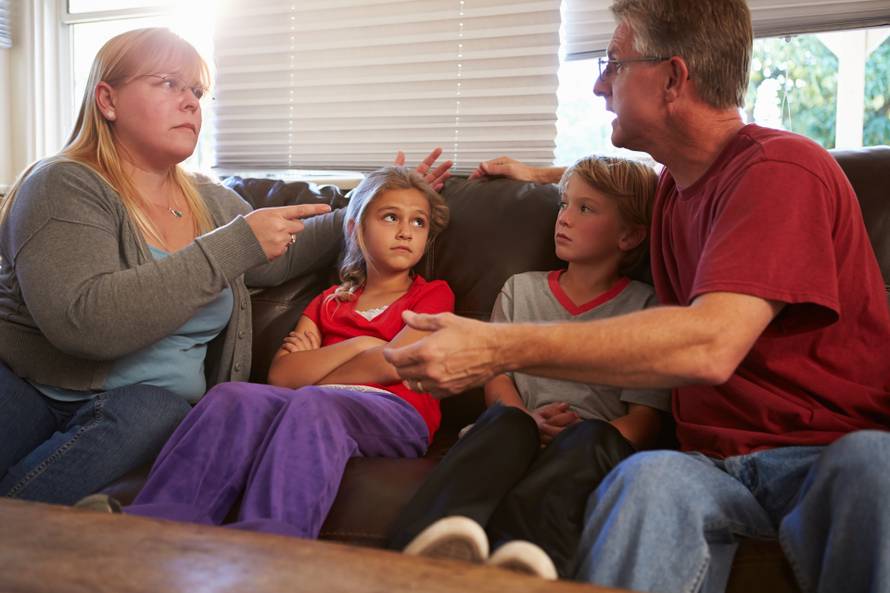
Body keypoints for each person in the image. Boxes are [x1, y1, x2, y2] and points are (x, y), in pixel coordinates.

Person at [382, 1, 890, 592]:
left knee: (874, 466)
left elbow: (711, 344)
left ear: (673, 78)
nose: (600, 86)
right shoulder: (673, 187)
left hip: (823, 457)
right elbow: (609, 183)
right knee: (646, 480)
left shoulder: (782, 170)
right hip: (708, 466)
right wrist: (538, 174)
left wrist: (495, 347)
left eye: (613, 64)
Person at [0, 27, 450, 506]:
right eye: (168, 83)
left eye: (196, 92)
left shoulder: (208, 198)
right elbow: (84, 324)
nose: (190, 103)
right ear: (108, 100)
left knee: (157, 408)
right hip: (29, 384)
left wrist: (375, 205)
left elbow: (278, 255)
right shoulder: (62, 184)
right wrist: (232, 246)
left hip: (145, 407)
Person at [123, 166, 454, 538]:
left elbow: (397, 363)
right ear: (355, 229)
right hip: (314, 402)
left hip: (398, 412)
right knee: (231, 396)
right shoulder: (328, 301)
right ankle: (154, 524)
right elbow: (282, 376)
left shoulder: (433, 295)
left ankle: (272, 540)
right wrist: (363, 345)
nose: (406, 231)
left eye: (419, 222)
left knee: (313, 402)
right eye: (391, 217)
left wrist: (315, 375)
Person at [384, 156, 670, 580]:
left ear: (629, 235)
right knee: (507, 423)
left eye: (585, 209)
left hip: (590, 446)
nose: (564, 218)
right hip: (517, 430)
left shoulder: (647, 307)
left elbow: (644, 420)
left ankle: (527, 560)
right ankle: (420, 549)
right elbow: (497, 377)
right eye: (564, 204)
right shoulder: (521, 289)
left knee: (592, 438)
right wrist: (528, 419)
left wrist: (574, 437)